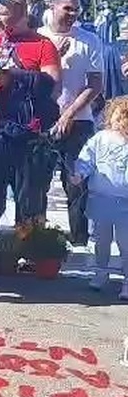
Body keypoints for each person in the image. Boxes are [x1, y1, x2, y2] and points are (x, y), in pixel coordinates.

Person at [0, 0, 61, 257]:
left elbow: (52, 84)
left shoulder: (42, 45)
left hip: (25, 133)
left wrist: (12, 77)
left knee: (29, 196)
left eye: (3, 13)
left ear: (21, 14)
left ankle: (30, 251)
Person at [39, 0, 103, 248]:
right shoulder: (39, 39)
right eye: (67, 8)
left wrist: (69, 114)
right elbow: (32, 78)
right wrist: (53, 54)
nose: (72, 14)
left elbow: (95, 84)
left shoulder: (89, 40)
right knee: (36, 182)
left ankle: (78, 240)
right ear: (52, 7)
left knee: (77, 184)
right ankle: (34, 237)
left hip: (79, 121)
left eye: (76, 9)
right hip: (42, 120)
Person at [72, 96, 128, 300]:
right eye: (115, 116)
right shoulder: (101, 138)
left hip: (125, 202)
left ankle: (126, 281)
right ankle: (100, 272)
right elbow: (87, 157)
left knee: (125, 243)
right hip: (100, 198)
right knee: (100, 240)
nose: (118, 122)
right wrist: (80, 173)